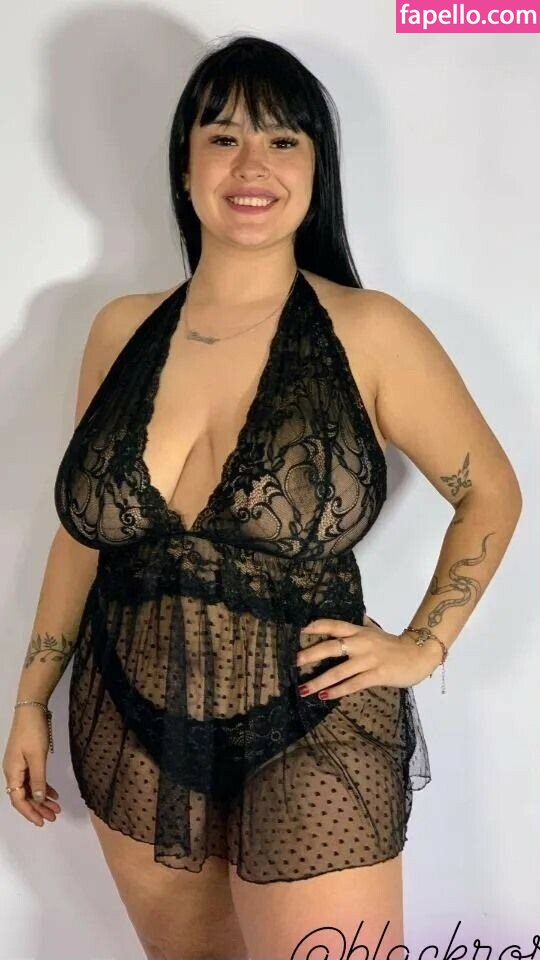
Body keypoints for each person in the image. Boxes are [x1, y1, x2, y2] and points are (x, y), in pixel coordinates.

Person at [3, 32, 522, 960]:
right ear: (186, 164)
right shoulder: (118, 329)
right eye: (223, 137)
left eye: (283, 139)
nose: (252, 164)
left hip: (310, 722)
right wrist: (31, 699)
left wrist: (422, 645)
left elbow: (491, 493)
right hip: (127, 715)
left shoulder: (372, 331)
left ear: (318, 168)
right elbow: (83, 535)